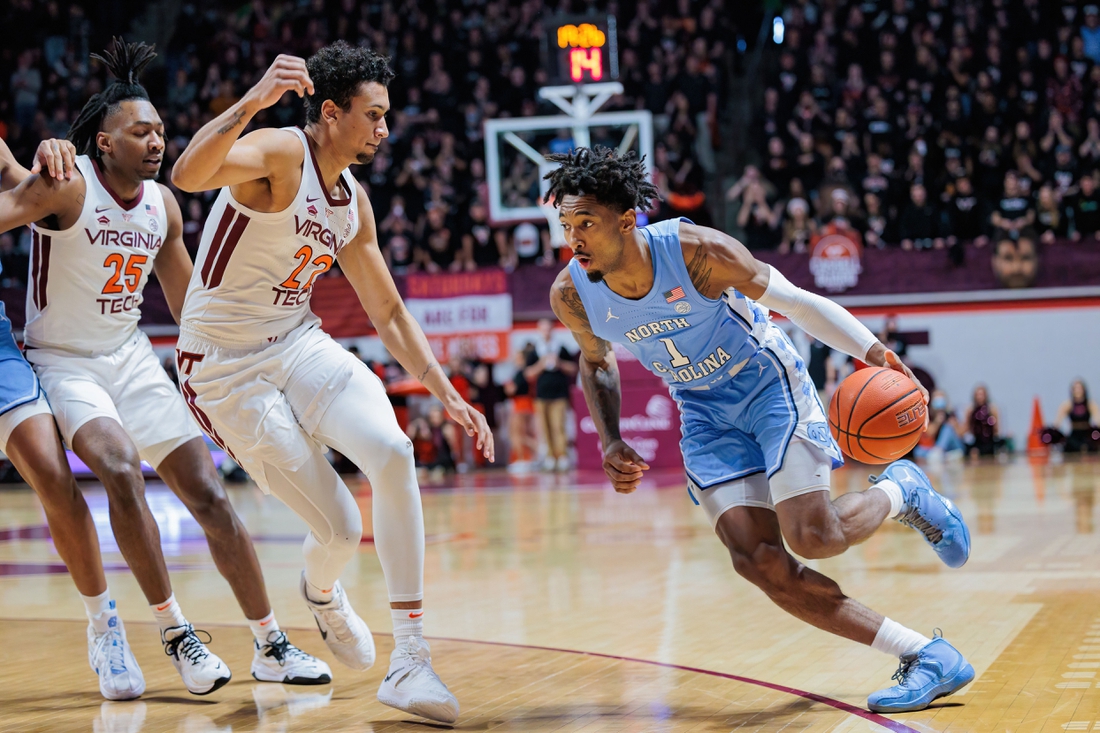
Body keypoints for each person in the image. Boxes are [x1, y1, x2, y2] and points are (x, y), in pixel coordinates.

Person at [544, 146, 973, 714]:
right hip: (700, 409)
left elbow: (796, 303)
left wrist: (872, 351)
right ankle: (926, 656)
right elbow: (595, 360)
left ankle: (902, 492)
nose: (573, 237)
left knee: (812, 536)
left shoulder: (697, 253)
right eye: (567, 223)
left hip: (766, 385)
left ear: (626, 220)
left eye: (587, 223)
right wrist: (610, 437)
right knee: (757, 560)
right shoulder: (573, 292)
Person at [170, 43, 494, 724]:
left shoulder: (353, 203)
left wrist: (446, 391)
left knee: (395, 451)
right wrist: (256, 97)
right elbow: (189, 172)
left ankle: (409, 657)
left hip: (296, 341)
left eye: (385, 116)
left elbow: (388, 312)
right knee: (342, 530)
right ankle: (321, 592)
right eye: (372, 115)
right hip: (223, 367)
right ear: (329, 112)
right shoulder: (282, 152)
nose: (383, 128)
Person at [0, 39, 329, 698]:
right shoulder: (66, 186)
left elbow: (193, 309)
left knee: (209, 495)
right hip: (64, 362)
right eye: (140, 131)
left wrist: (239, 371)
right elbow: (10, 195)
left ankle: (269, 640)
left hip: (130, 357)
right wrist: (32, 162)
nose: (156, 142)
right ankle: (176, 631)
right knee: (119, 468)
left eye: (160, 130)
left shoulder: (164, 207)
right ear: (102, 143)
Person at [525, 318, 578, 471]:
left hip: (559, 394)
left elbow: (573, 368)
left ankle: (561, 455)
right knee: (545, 428)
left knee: (558, 426)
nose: (546, 332)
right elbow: (528, 373)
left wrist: (559, 363)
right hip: (541, 395)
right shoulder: (535, 351)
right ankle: (549, 456)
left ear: (552, 330)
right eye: (543, 329)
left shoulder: (560, 348)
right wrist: (541, 365)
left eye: (548, 329)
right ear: (539, 331)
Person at [1056, 380, 1100, 453]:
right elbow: (1058, 422)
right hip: (1074, 435)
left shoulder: (1090, 404)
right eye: (1075, 388)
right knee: (1070, 447)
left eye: (1080, 388)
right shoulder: (1068, 405)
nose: (1077, 391)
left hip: (1087, 434)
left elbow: (1098, 419)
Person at [963, 385, 1004, 457]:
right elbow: (966, 428)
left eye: (981, 394)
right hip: (977, 441)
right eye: (978, 395)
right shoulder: (970, 410)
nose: (980, 397)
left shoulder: (992, 409)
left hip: (989, 441)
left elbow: (997, 429)